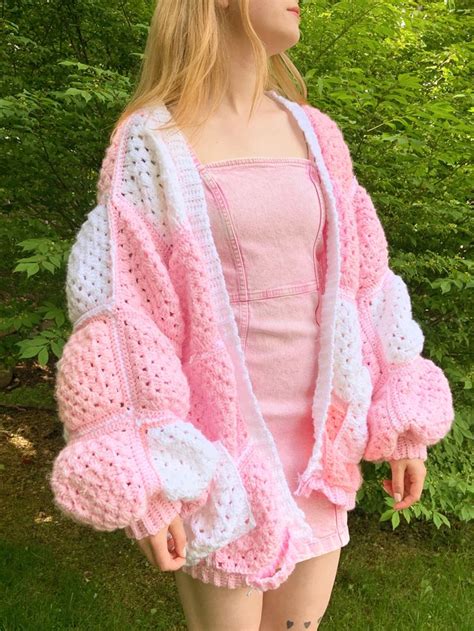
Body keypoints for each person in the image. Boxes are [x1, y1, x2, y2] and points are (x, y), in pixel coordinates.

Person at [49, 1, 454, 630]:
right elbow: (125, 315)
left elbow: (367, 281)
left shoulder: (316, 133)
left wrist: (401, 423)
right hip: (223, 461)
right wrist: (151, 477)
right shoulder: (150, 143)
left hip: (321, 452)